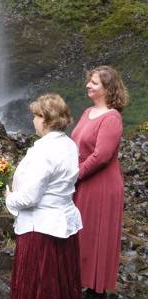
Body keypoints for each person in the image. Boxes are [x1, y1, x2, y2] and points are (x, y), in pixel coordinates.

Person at [5, 93, 83, 299]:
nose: (33, 120)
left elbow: (30, 197)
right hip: (62, 224)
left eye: (36, 116)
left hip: (41, 230)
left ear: (47, 120)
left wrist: (9, 197)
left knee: (39, 285)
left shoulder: (44, 151)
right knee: (60, 282)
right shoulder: (69, 144)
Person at [71, 65, 128, 298]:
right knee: (83, 234)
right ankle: (82, 282)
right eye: (89, 81)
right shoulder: (87, 112)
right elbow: (75, 145)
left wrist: (74, 175)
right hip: (84, 181)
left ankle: (96, 291)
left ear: (107, 88)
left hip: (102, 185)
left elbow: (101, 156)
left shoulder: (112, 117)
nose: (88, 85)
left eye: (94, 82)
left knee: (97, 235)